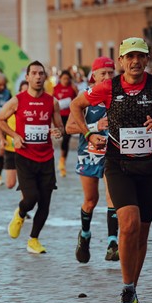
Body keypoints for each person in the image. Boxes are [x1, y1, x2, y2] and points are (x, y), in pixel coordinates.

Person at [70, 37, 152, 303]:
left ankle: (133, 289)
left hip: (150, 168)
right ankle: (125, 288)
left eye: (140, 56)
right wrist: (90, 134)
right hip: (118, 164)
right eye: (129, 57)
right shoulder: (108, 87)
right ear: (121, 61)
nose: (135, 61)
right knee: (129, 223)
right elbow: (76, 105)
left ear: (147, 59)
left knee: (141, 234)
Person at [0, 61, 65, 254]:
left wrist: (58, 132)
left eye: (41, 73)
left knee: (45, 202)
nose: (37, 76)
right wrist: (14, 135)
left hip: (46, 158)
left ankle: (33, 239)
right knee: (31, 197)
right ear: (27, 77)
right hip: (25, 156)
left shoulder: (53, 102)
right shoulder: (17, 100)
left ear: (45, 76)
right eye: (33, 73)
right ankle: (21, 212)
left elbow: (60, 127)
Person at [66, 57, 119, 263]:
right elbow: (69, 128)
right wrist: (95, 127)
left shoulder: (118, 96)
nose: (107, 77)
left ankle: (112, 243)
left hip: (112, 153)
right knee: (91, 200)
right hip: (88, 154)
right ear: (94, 76)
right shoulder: (85, 98)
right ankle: (85, 235)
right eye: (102, 73)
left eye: (110, 73)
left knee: (112, 195)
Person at [0, 81, 29, 190]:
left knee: (25, 183)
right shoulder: (12, 104)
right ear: (19, 92)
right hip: (10, 147)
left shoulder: (33, 107)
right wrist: (1, 139)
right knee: (10, 184)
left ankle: (24, 204)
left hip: (27, 149)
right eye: (23, 91)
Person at [53, 70, 79, 177]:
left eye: (67, 79)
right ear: (60, 79)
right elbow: (52, 101)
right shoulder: (56, 88)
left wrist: (75, 89)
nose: (65, 81)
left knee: (67, 139)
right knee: (61, 137)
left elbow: (79, 99)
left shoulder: (72, 88)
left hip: (69, 116)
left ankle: (62, 161)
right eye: (64, 79)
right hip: (59, 116)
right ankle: (60, 159)